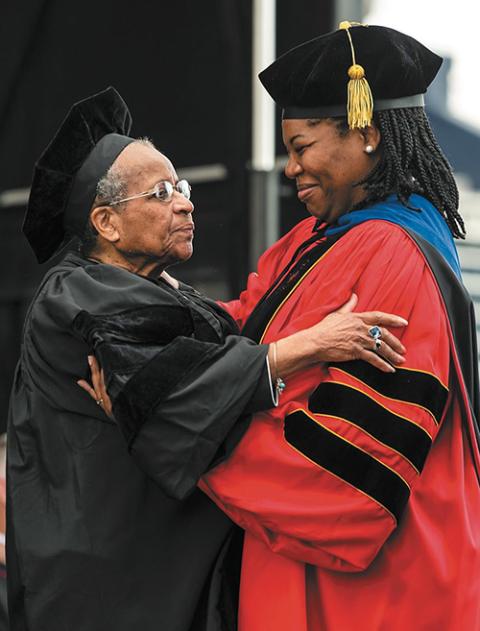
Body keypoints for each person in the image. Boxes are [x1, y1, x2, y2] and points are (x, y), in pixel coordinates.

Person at [6, 87, 406, 631]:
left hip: (160, 559)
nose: (186, 202)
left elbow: (206, 355)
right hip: (107, 573)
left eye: (184, 187)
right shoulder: (75, 296)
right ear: (106, 223)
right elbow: (168, 391)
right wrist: (310, 343)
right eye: (162, 192)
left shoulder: (153, 287)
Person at [196, 22, 480, 631]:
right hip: (305, 569)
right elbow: (239, 324)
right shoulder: (316, 238)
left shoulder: (397, 254)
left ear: (368, 133)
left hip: (378, 598)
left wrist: (184, 433)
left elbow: (350, 478)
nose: (290, 167)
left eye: (302, 146)